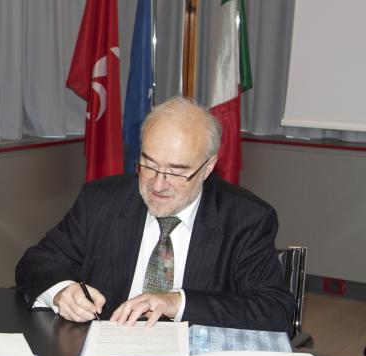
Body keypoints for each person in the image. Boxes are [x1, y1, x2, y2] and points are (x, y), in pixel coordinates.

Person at [15, 97, 294, 333]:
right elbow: (37, 262)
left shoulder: (245, 219)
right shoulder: (101, 200)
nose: (158, 185)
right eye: (148, 165)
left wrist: (177, 303)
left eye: (175, 171)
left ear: (208, 168)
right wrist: (63, 291)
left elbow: (274, 309)